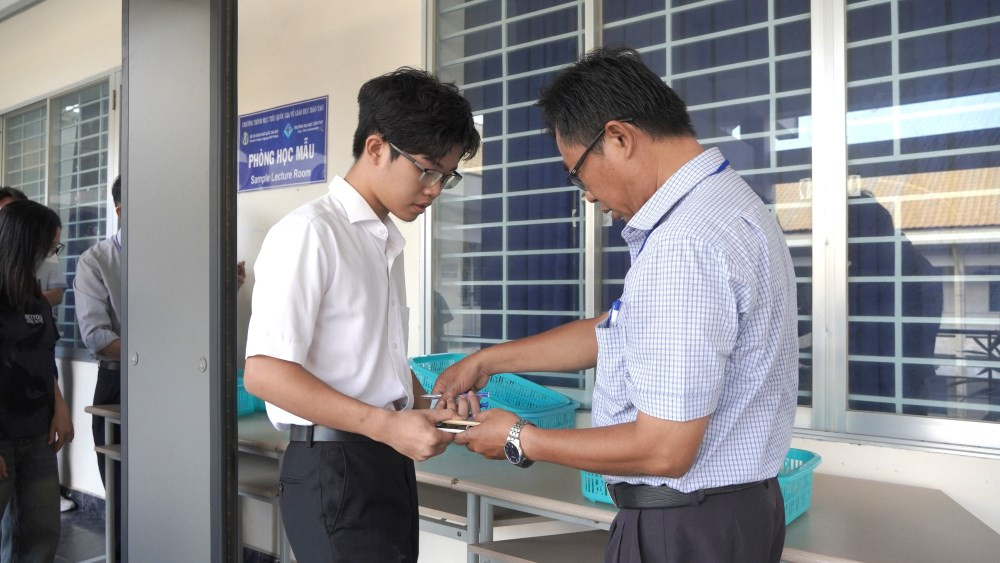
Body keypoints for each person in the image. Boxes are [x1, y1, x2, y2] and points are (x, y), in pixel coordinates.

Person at [431, 47, 799, 563]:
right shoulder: (727, 205)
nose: (586, 195)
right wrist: (487, 361)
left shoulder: (683, 244)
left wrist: (519, 438)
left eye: (578, 173)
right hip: (729, 516)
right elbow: (616, 329)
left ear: (620, 138)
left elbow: (664, 449)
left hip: (684, 529)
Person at [243, 67, 480, 562]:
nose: (435, 188)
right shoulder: (311, 233)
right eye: (427, 169)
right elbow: (265, 373)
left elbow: (370, 360)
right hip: (333, 465)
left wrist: (425, 404)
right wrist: (385, 425)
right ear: (376, 149)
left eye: (446, 175)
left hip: (381, 457)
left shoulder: (382, 241)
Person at [0, 199, 74, 563]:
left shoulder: (36, 300)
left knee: (41, 533)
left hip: (37, 432)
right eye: (49, 248)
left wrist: (59, 408)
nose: (52, 257)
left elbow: (43, 358)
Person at [73, 176, 124, 560]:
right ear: (122, 212)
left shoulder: (176, 257)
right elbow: (99, 338)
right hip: (120, 384)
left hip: (175, 385)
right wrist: (166, 354)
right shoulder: (97, 261)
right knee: (123, 492)